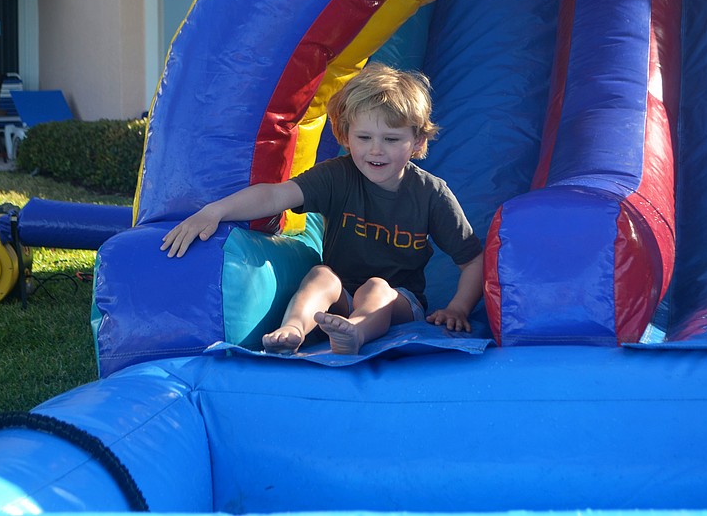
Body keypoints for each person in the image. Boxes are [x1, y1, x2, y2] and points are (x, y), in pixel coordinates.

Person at [161, 64, 483, 355]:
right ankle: (294, 329)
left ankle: (355, 332)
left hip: (399, 302)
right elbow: (274, 198)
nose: (375, 149)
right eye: (364, 137)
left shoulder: (430, 193)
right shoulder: (338, 176)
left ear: (417, 141)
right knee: (320, 276)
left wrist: (458, 307)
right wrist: (215, 211)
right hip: (341, 296)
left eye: (391, 138)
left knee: (376, 288)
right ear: (346, 136)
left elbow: (472, 260)